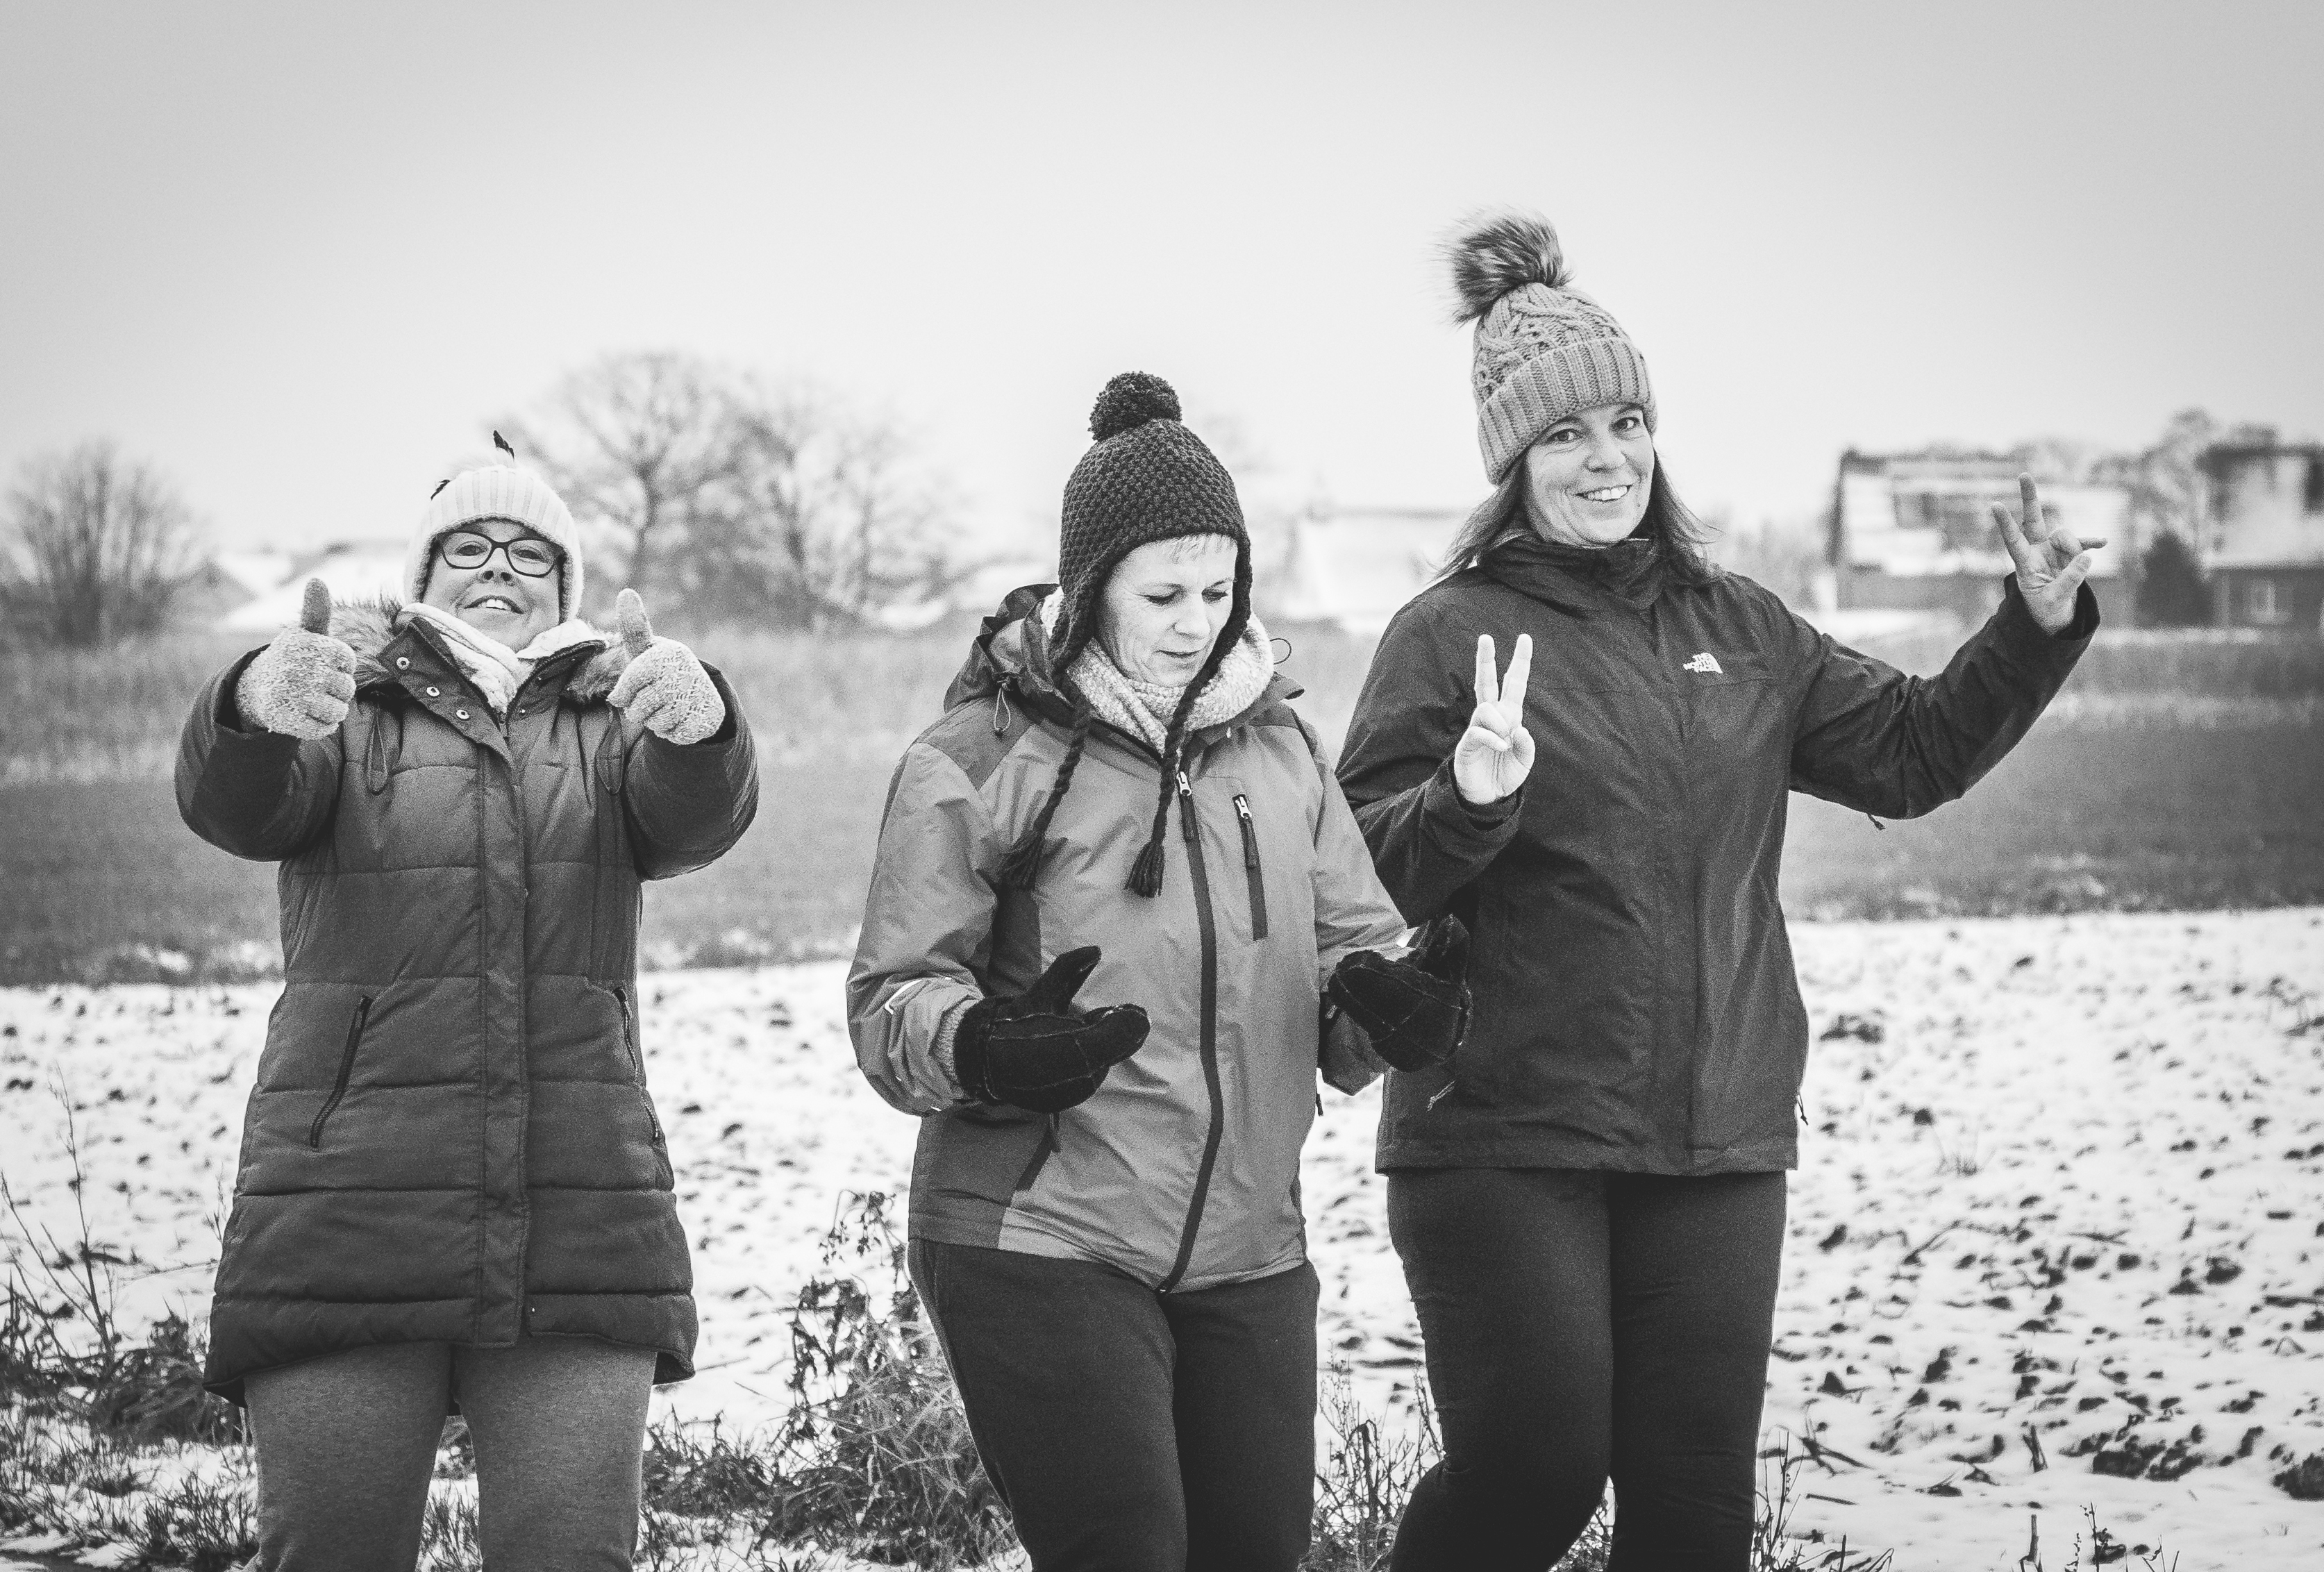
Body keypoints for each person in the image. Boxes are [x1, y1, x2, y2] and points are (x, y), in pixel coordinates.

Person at [1336, 212, 2101, 1570]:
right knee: (1537, 1475)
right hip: (1505, 1136)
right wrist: (1469, 796)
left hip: (1717, 1136)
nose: (1609, 457)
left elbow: (1914, 751)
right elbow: (1357, 877)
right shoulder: (1449, 634)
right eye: (1568, 435)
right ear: (1513, 462)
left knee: (1693, 1522)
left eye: (1628, 423)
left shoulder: (1741, 627)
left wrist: (2030, 632)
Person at [847, 373, 1473, 1572]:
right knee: (1127, 1548)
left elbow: (1348, 955)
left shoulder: (1283, 748)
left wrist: (1389, 1008)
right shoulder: (982, 753)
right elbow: (891, 1001)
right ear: (1092, 593)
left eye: (1219, 592)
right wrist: (982, 1044)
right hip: (1039, 1231)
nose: (1198, 624)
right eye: (1163, 596)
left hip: (1252, 1246)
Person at [175, 443, 758, 1571]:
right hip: (346, 1210)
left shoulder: (611, 719)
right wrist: (249, 706)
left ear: (565, 585)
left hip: (576, 1215)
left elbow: (695, 819)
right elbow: (236, 806)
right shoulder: (344, 702)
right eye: (472, 548)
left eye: (531, 554)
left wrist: (705, 728)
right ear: (424, 574)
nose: (500, 567)